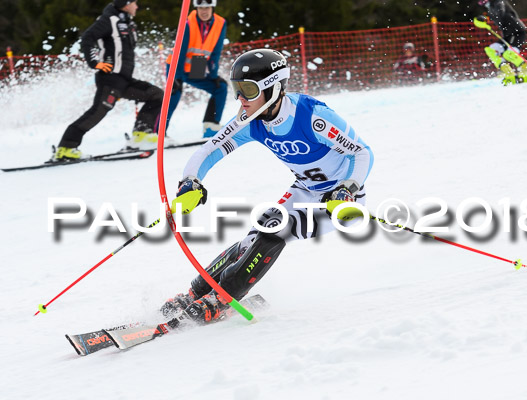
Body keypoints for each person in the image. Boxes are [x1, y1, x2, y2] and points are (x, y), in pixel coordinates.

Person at [159, 48, 374, 324]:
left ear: (272, 88)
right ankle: (196, 292)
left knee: (274, 231)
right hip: (305, 189)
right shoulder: (252, 120)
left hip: (342, 203)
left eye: (247, 89)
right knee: (253, 237)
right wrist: (191, 182)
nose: (239, 98)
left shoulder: (312, 116)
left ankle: (222, 298)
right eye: (237, 89)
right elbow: (209, 150)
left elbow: (362, 152)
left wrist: (347, 188)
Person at [54, 0, 163, 161]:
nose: (137, 6)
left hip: (125, 80)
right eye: (134, 3)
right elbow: (87, 38)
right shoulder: (108, 20)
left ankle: (141, 134)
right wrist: (95, 63)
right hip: (110, 79)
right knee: (98, 111)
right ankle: (66, 147)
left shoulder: (126, 21)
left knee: (157, 95)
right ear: (126, 4)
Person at [163, 0, 227, 139]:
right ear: (196, 8)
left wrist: (214, 75)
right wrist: (177, 77)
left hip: (198, 64)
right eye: (201, 8)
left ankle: (211, 126)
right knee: (173, 95)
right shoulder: (187, 23)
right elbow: (180, 52)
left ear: (212, 7)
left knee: (220, 87)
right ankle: (159, 133)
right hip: (177, 65)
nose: (204, 11)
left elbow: (216, 52)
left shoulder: (220, 23)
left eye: (207, 7)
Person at [477, 0, 527, 80]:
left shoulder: (498, 2)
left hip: (517, 32)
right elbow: (496, 16)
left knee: (509, 54)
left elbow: (500, 12)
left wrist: (488, 17)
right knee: (492, 49)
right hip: (508, 35)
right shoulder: (491, 6)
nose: (482, 4)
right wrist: (484, 20)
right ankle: (506, 71)